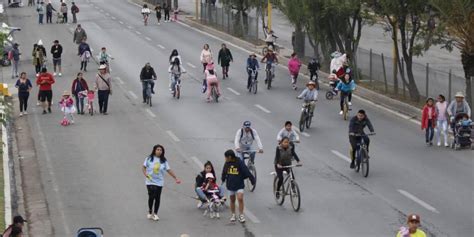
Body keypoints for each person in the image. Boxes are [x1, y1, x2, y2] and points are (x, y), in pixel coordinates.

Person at [142, 144, 181, 221]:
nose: (159, 151)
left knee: (157, 197)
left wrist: (175, 178)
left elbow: (168, 170)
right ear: (154, 150)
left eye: (161, 150)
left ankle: (155, 214)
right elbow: (143, 167)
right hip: (150, 181)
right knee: (151, 196)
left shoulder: (163, 160)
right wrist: (146, 174)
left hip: (159, 181)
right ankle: (150, 211)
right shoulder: (149, 158)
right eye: (158, 149)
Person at [221, 149, 255, 223]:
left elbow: (246, 170)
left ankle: (241, 215)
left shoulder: (239, 162)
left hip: (239, 184)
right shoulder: (227, 163)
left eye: (226, 157)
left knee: (240, 198)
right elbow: (224, 171)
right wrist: (223, 179)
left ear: (229, 157)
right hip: (230, 185)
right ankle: (233, 214)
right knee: (232, 200)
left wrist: (252, 179)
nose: (225, 159)